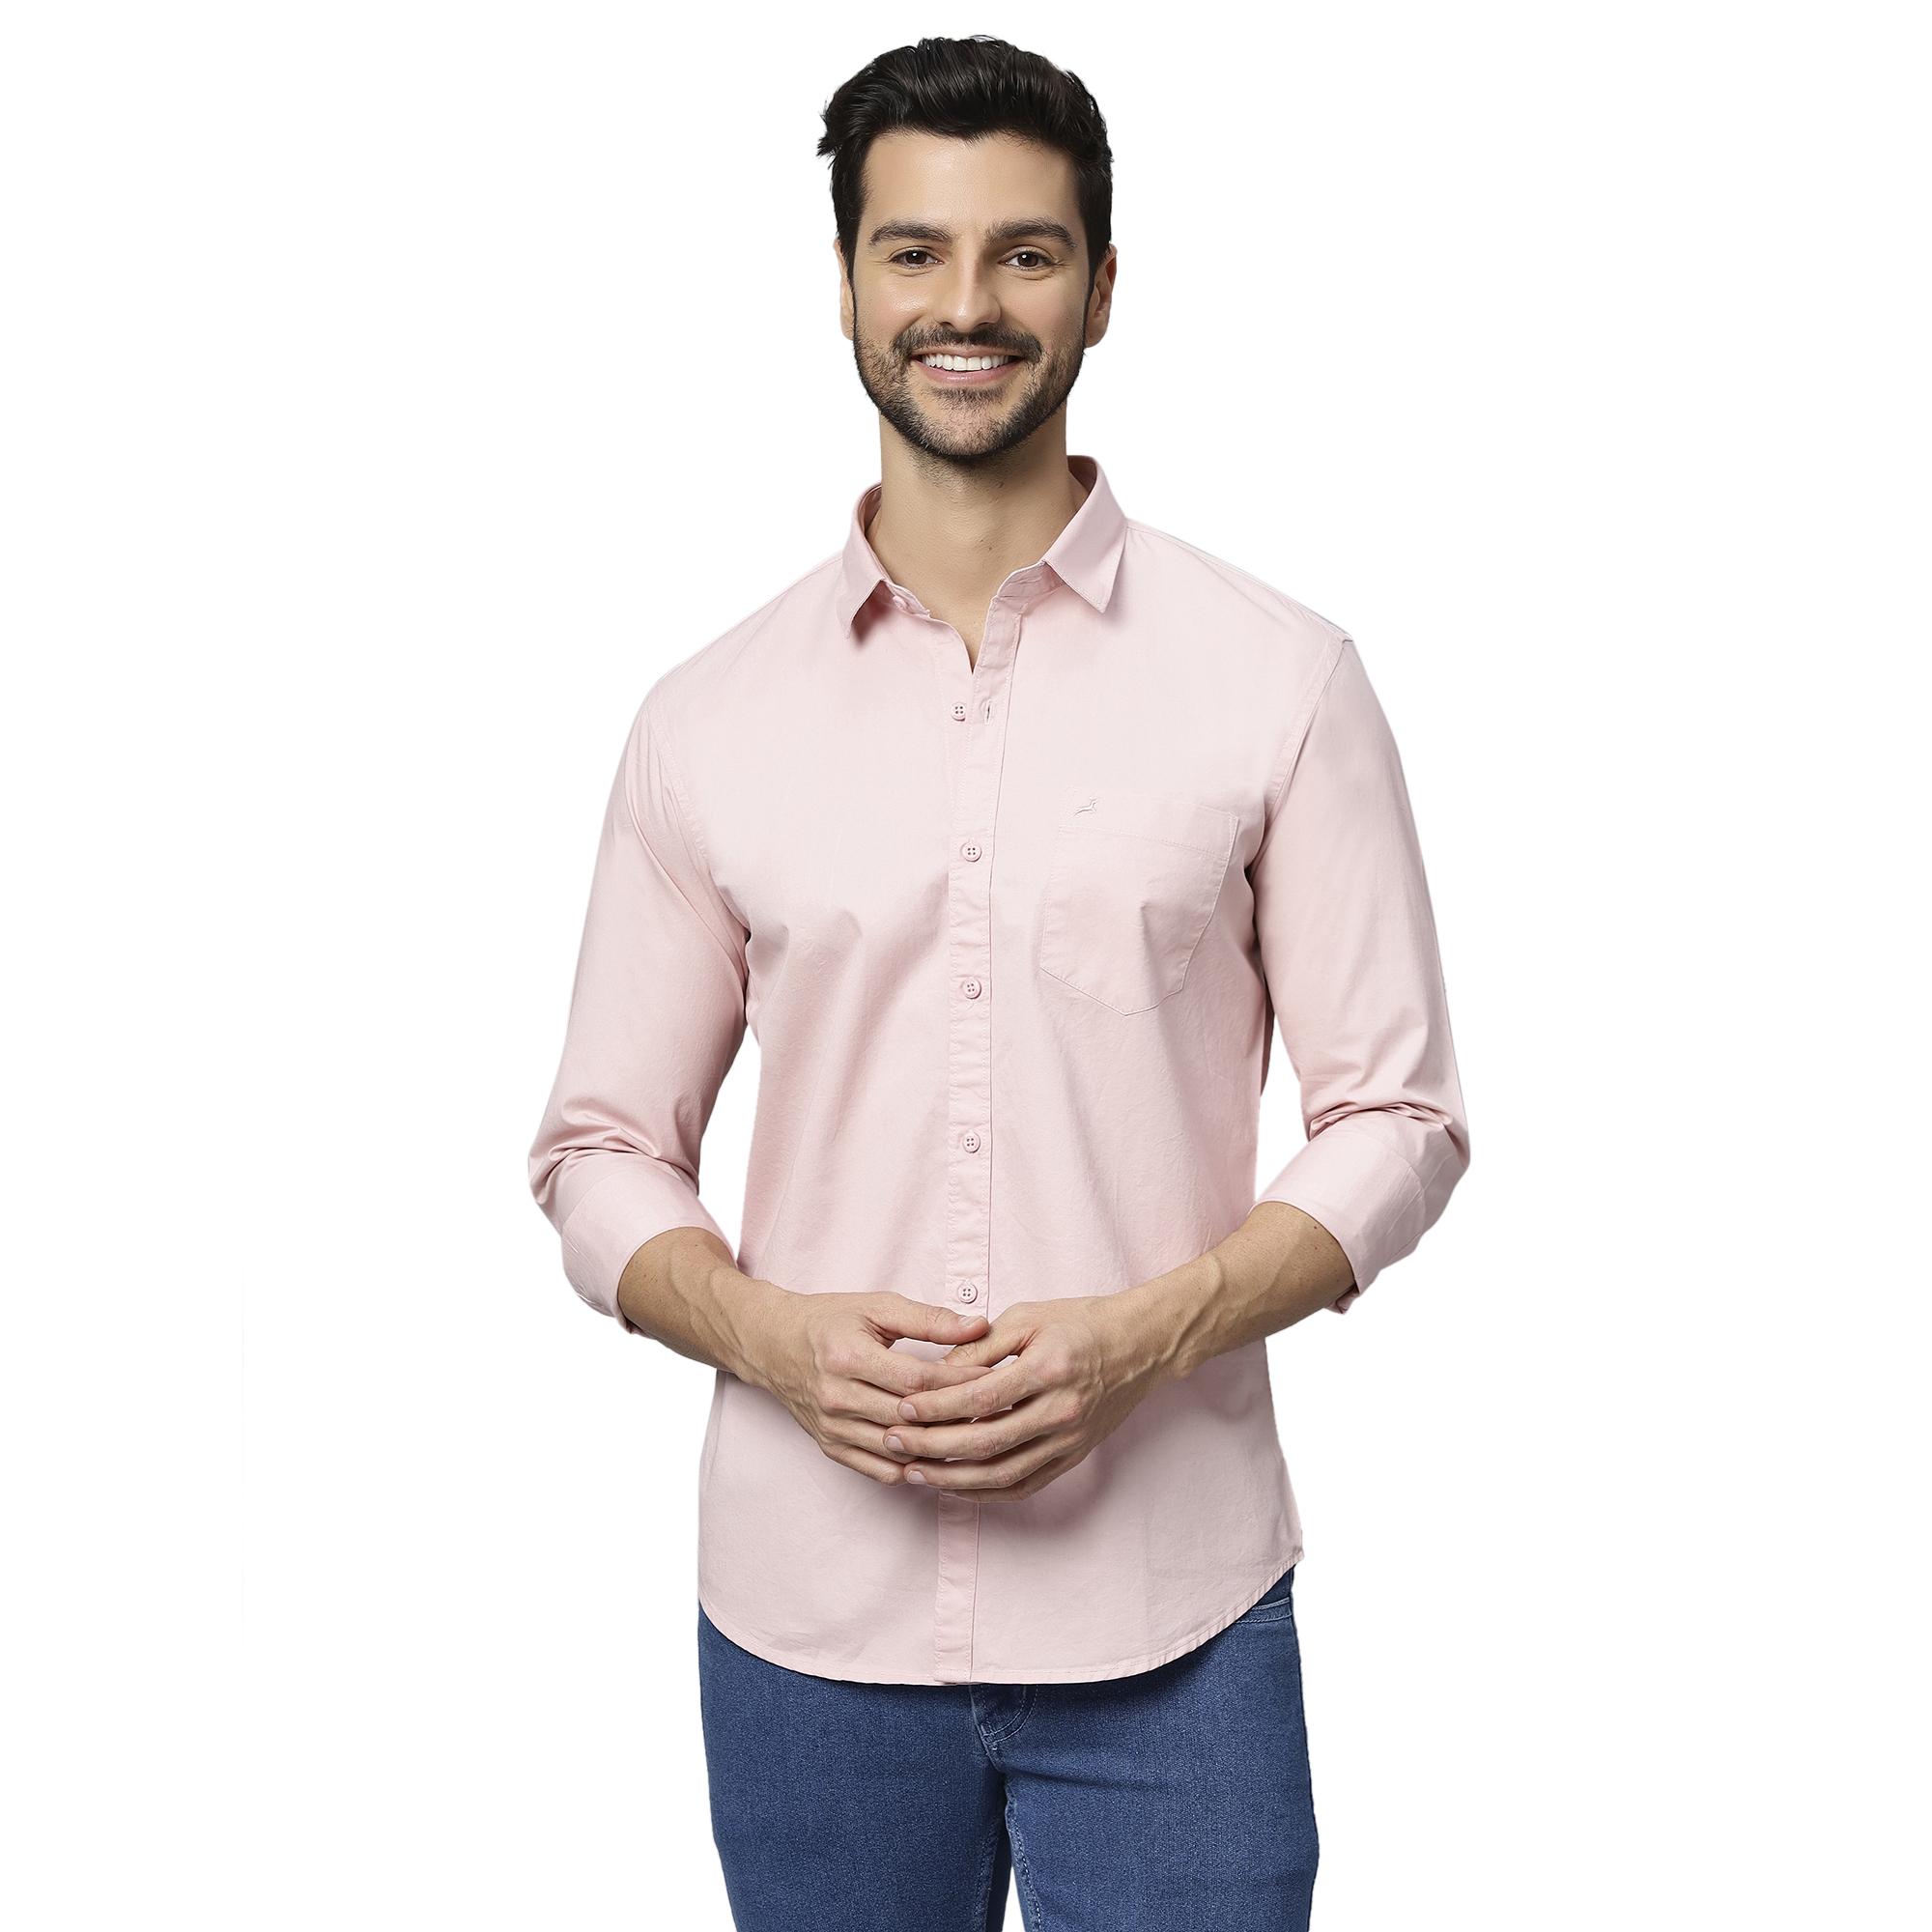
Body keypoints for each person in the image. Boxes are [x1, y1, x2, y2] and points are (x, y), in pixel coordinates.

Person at [526, 33, 1469, 1931]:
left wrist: (1147, 1333)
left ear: (1103, 287)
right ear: (846, 284)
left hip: (1173, 1610)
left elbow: (1399, 1116)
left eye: (1024, 253)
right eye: (915, 251)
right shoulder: (705, 720)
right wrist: (769, 1337)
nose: (966, 304)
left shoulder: (1279, 678)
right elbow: (598, 1147)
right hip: (807, 1622)